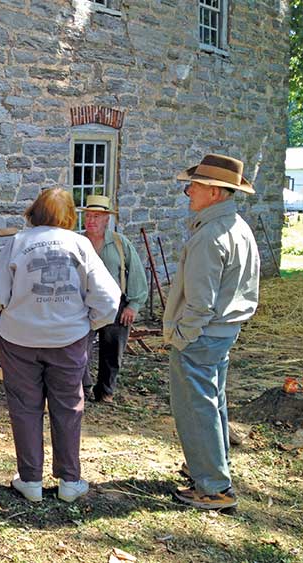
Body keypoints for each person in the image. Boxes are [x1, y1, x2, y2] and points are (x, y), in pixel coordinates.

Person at [0, 188, 121, 503]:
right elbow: (109, 298)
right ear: (69, 214)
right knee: (69, 407)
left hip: (19, 339)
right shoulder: (81, 244)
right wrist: (89, 324)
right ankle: (69, 480)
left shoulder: (18, 242)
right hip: (68, 340)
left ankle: (30, 479)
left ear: (35, 211)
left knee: (24, 407)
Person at [166, 154, 260, 510]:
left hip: (203, 334)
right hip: (219, 332)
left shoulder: (212, 235)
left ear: (217, 193)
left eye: (196, 186)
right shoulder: (235, 225)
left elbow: (201, 303)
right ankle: (210, 471)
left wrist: (182, 335)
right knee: (212, 402)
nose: (188, 191)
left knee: (196, 408)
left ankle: (214, 487)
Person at [81, 195, 148, 403]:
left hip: (116, 304)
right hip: (84, 303)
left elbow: (136, 274)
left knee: (113, 350)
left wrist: (133, 305)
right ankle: (82, 387)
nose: (91, 220)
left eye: (97, 216)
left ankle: (106, 392)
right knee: (78, 348)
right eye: (88, 216)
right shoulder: (78, 242)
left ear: (106, 219)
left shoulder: (120, 243)